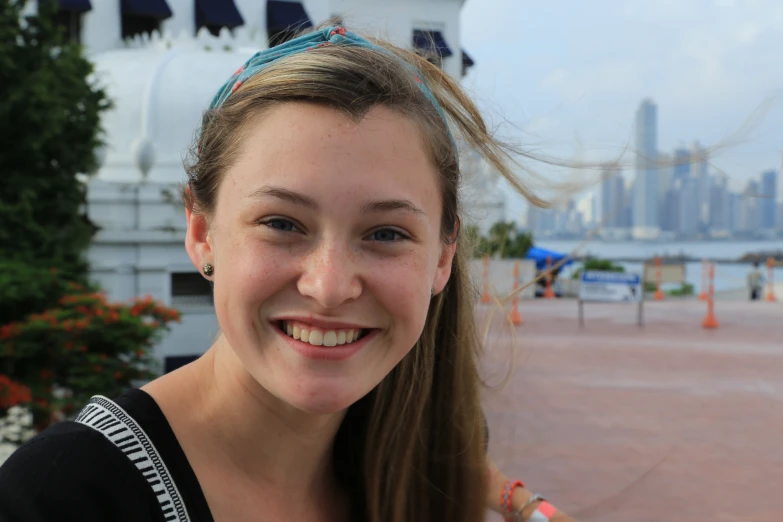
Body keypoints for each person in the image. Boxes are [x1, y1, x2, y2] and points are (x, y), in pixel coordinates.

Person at [0, 26, 575, 522]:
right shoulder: (60, 497)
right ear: (202, 232)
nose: (327, 286)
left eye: (386, 234)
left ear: (444, 257)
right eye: (281, 223)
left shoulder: (422, 463)